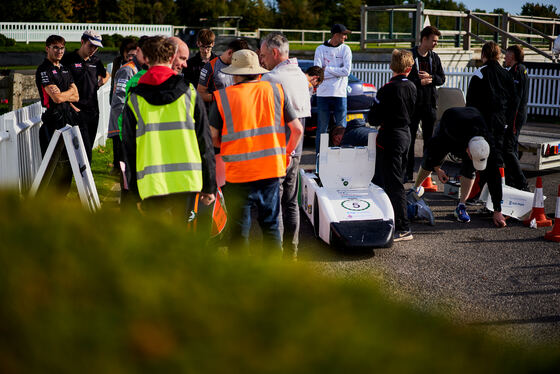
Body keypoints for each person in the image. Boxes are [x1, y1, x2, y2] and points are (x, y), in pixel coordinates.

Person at [209, 49, 303, 254]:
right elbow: (297, 129)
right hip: (270, 171)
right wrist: (285, 154)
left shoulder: (223, 97)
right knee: (270, 226)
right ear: (257, 71)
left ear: (235, 73)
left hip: (237, 173)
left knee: (238, 230)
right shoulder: (276, 91)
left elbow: (213, 137)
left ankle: (242, 278)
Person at [121, 36, 216, 220]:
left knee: (155, 241)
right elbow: (204, 141)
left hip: (151, 184)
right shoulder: (189, 92)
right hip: (186, 181)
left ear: (146, 59)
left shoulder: (134, 99)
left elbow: (128, 149)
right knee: (180, 240)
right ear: (172, 58)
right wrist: (209, 184)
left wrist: (133, 191)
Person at [259, 32, 311, 259]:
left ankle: (276, 254)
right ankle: (292, 253)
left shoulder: (271, 79)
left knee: (275, 202)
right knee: (291, 202)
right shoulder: (301, 76)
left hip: (278, 148)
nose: (262, 60)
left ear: (274, 52)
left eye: (263, 55)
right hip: (297, 149)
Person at [412, 107, 507, 227]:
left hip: (474, 121)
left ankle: (461, 206)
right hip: (451, 120)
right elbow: (431, 150)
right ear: (467, 151)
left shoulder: (489, 144)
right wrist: (437, 169)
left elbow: (494, 177)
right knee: (430, 160)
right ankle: (415, 188)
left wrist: (497, 210)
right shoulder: (450, 135)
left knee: (470, 169)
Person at [368, 49, 416, 242]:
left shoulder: (387, 88)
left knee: (393, 184)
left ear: (392, 66)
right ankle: (391, 219)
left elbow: (373, 118)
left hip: (390, 137)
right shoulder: (412, 87)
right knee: (396, 181)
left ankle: (403, 227)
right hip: (406, 135)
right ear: (409, 68)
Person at [466, 41, 516, 186]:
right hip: (501, 122)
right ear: (498, 55)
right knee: (497, 158)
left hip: (482, 122)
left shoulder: (479, 73)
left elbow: (470, 103)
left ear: (483, 55)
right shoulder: (506, 74)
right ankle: (498, 195)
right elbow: (514, 101)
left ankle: (477, 192)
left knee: (480, 156)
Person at [35, 34, 79, 193]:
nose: (59, 51)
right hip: (53, 122)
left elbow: (77, 95)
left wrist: (64, 95)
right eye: (55, 48)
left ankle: (62, 199)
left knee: (69, 163)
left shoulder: (65, 69)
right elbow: (56, 98)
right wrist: (67, 95)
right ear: (47, 49)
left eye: (62, 48)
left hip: (68, 120)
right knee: (55, 166)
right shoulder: (44, 69)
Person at [61, 30, 110, 163]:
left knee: (87, 149)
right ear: (82, 42)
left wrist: (99, 84)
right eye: (91, 45)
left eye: (96, 47)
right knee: (84, 153)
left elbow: (106, 75)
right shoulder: (68, 59)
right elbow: (61, 86)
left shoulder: (96, 60)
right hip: (76, 111)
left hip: (93, 111)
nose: (93, 49)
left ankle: (83, 181)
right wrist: (70, 105)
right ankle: (85, 182)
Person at [405, 26, 446, 182]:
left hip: (429, 105)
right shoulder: (410, 55)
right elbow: (404, 77)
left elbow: (442, 78)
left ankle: (426, 174)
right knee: (410, 140)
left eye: (437, 41)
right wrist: (418, 81)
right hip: (413, 105)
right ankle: (407, 173)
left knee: (430, 141)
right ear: (424, 39)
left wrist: (431, 78)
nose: (436, 44)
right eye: (434, 41)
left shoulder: (434, 57)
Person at [108, 36, 148, 177]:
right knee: (122, 163)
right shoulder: (128, 70)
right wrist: (126, 121)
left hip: (129, 122)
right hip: (122, 121)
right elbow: (119, 98)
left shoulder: (139, 69)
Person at [313, 24, 352, 153]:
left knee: (341, 129)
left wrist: (327, 69)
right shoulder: (320, 49)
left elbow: (346, 71)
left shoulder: (346, 49)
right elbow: (318, 72)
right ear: (336, 35)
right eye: (343, 34)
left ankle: (340, 158)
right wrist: (335, 72)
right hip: (323, 94)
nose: (345, 37)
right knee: (322, 129)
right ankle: (320, 158)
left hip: (340, 94)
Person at [503, 45, 529, 191]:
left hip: (515, 116)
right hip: (515, 115)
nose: (505, 57)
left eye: (507, 54)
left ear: (512, 56)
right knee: (510, 148)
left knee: (508, 149)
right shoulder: (515, 70)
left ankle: (522, 184)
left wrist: (510, 121)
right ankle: (511, 182)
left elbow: (515, 99)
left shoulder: (518, 70)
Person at [197, 38, 249, 104]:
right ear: (230, 53)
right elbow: (200, 94)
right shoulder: (210, 66)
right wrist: (221, 97)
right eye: (237, 58)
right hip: (219, 110)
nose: (239, 61)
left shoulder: (240, 66)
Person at [110, 37, 137, 102]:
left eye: (132, 53)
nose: (130, 56)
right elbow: (113, 81)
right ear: (122, 51)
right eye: (127, 51)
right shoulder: (117, 61)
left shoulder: (137, 63)